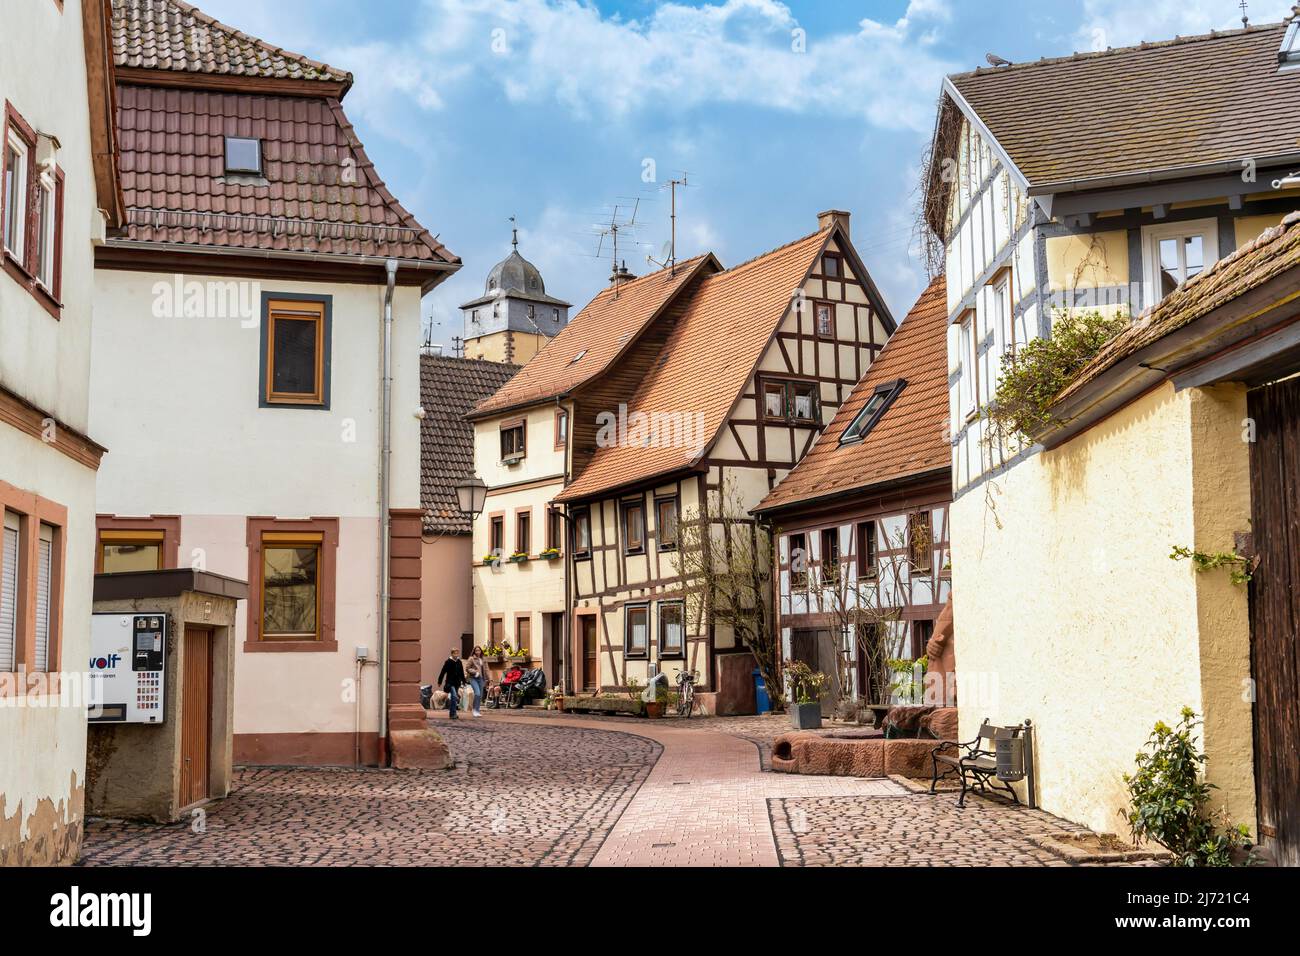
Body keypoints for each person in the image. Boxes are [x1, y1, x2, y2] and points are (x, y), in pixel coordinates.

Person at [437, 646, 466, 720]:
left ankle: (453, 714)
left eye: (457, 653)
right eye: (455, 653)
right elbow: (443, 672)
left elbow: (461, 672)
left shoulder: (459, 662)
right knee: (454, 696)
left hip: (457, 682)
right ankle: (453, 713)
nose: (456, 655)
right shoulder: (448, 662)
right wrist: (439, 681)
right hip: (450, 682)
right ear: (452, 654)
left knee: (455, 698)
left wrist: (464, 681)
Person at [464, 646, 488, 718]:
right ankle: (474, 710)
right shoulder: (471, 658)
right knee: (477, 693)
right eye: (476, 651)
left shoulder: (483, 659)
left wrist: (490, 679)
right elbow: (467, 668)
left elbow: (486, 669)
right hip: (473, 678)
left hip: (481, 679)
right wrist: (474, 672)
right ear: (474, 651)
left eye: (479, 650)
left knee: (480, 695)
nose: (478, 652)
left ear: (481, 651)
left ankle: (477, 710)